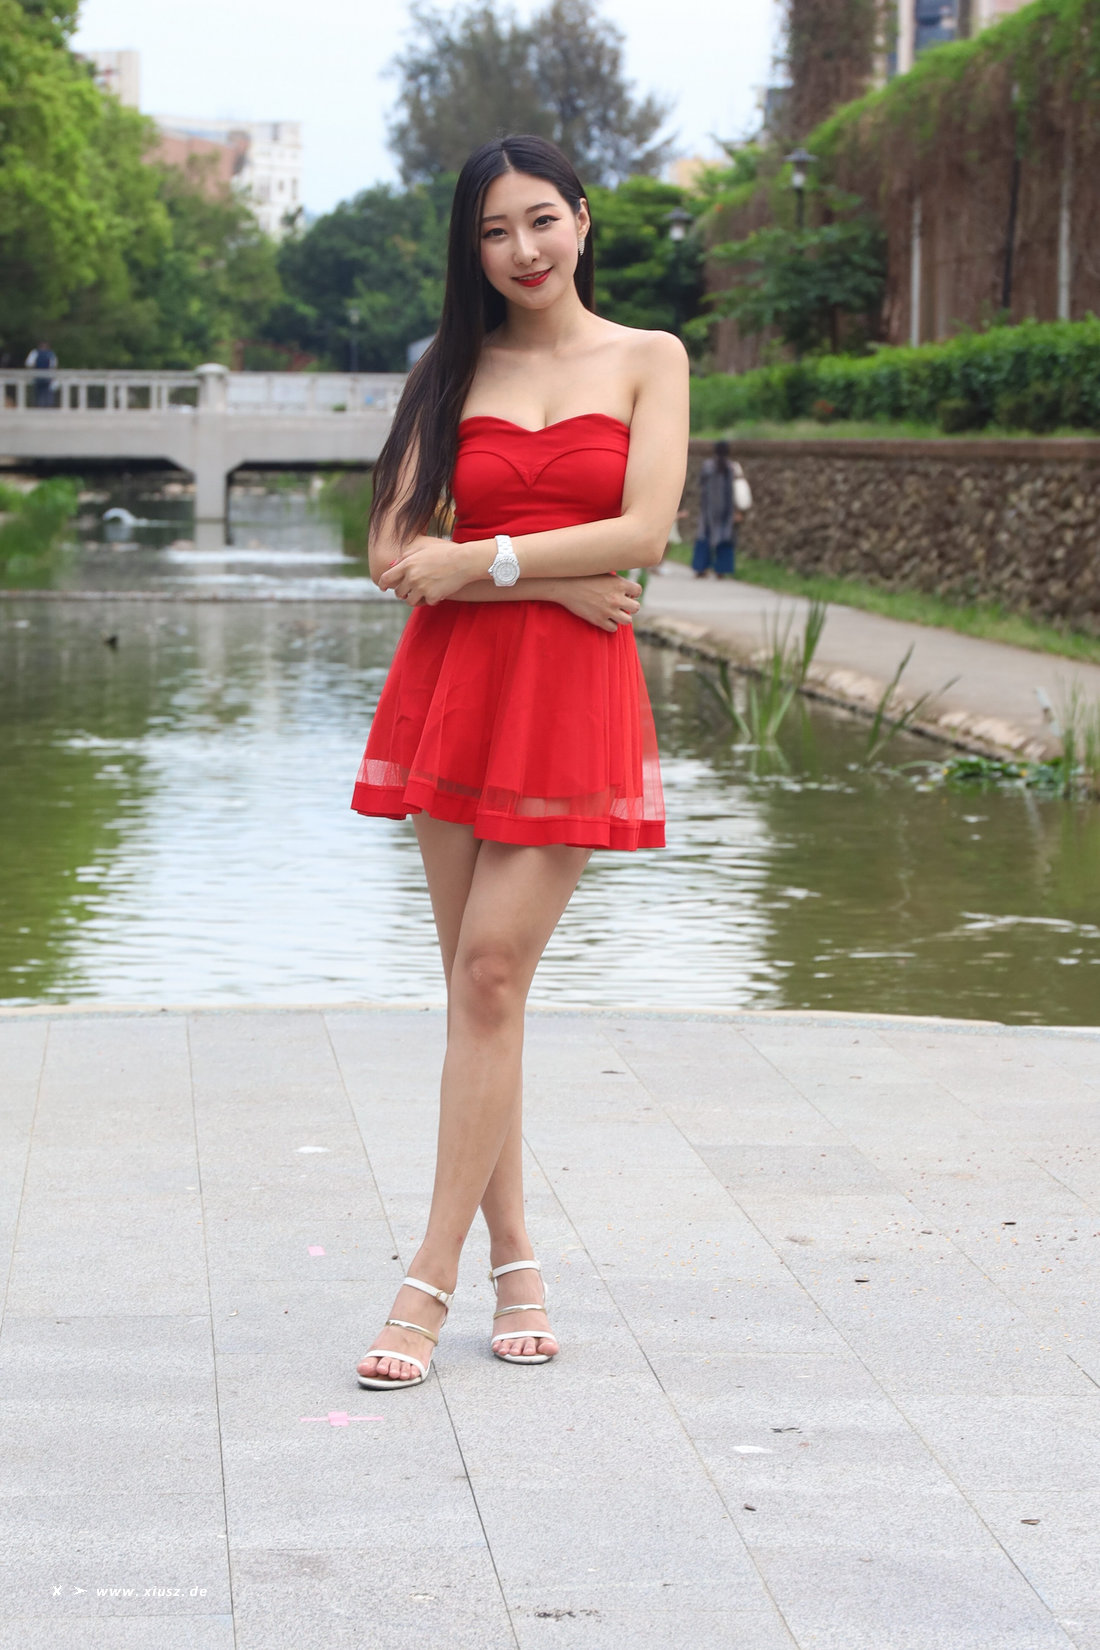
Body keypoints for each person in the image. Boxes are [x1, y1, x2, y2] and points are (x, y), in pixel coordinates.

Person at [350, 133, 688, 1389]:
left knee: (492, 968)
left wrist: (486, 561)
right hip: (455, 689)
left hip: (569, 700)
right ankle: (517, 1260)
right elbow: (394, 556)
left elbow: (643, 533)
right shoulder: (449, 369)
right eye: (493, 232)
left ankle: (425, 1279)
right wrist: (536, 579)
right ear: (471, 250)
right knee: (477, 995)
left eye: (539, 219)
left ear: (582, 220)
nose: (522, 250)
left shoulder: (649, 358)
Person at [692, 439, 746, 578]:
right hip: (726, 509)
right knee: (725, 537)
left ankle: (701, 568)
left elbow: (701, 486)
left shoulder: (707, 466)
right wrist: (737, 511)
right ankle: (721, 570)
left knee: (704, 536)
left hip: (708, 509)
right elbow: (737, 491)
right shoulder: (732, 467)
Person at [25, 341, 58, 408]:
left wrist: (32, 372)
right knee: (47, 394)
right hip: (47, 376)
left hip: (37, 376)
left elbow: (29, 364)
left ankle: (39, 406)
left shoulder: (35, 353)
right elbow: (53, 366)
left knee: (38, 394)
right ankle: (47, 407)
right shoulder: (50, 354)